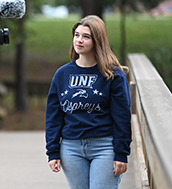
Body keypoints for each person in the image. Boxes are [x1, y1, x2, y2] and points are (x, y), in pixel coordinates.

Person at [45, 15, 132, 189]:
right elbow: (53, 116)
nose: (79, 40)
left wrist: (121, 153)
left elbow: (122, 116)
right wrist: (52, 151)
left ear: (97, 41)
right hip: (71, 148)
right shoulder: (62, 74)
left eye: (86, 36)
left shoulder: (112, 75)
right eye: (77, 35)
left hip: (105, 147)